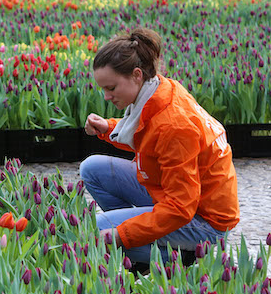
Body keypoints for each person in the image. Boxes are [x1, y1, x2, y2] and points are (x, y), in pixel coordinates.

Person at [80, 28, 239, 266]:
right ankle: (148, 237)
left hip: (204, 219)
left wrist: (121, 234)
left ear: (136, 75)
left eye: (111, 88)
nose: (106, 97)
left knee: (101, 228)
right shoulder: (158, 89)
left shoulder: (173, 125)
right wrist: (108, 127)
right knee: (92, 168)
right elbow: (146, 132)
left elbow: (180, 208)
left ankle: (174, 256)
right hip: (175, 191)